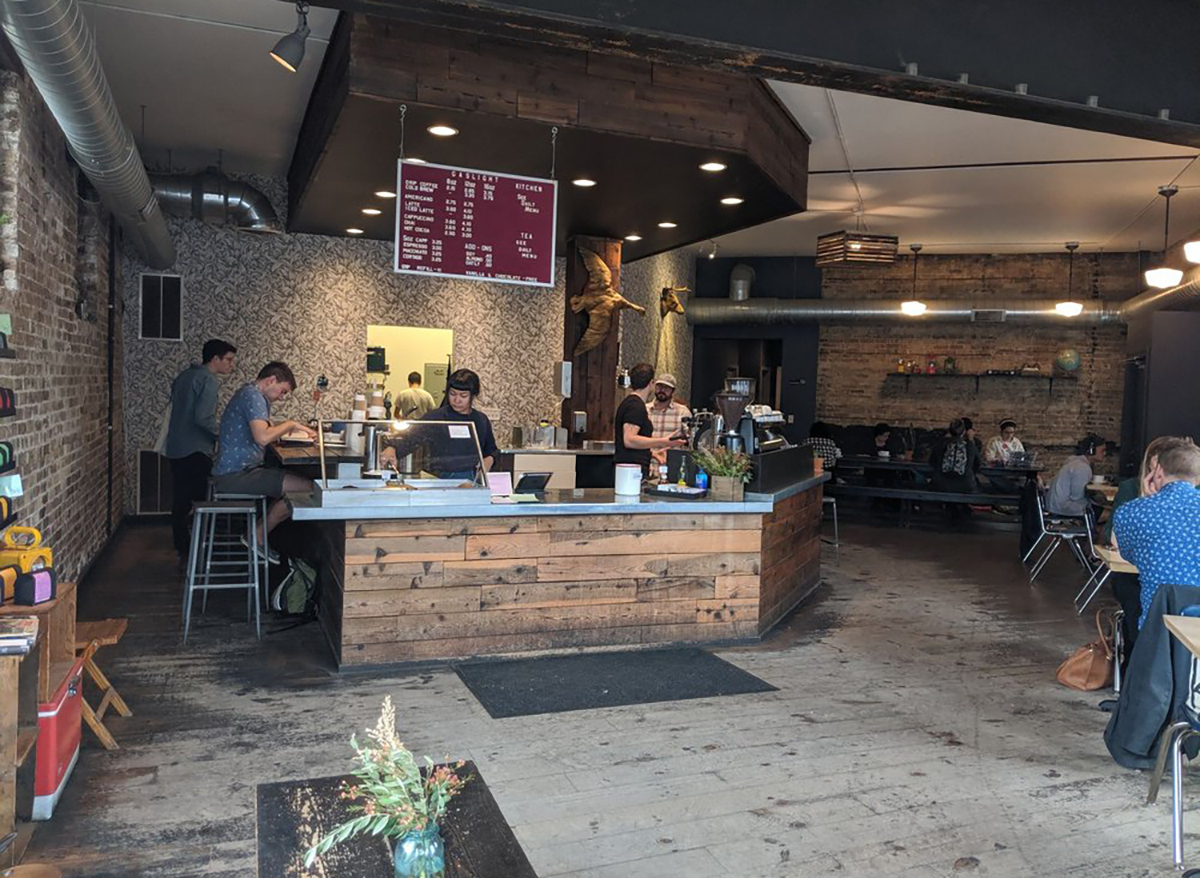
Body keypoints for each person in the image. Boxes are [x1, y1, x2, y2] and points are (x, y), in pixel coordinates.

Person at [212, 361, 315, 561]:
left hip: (236, 471)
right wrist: (290, 424)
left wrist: (293, 429)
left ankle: (258, 533)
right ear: (271, 380)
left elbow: (266, 432)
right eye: (282, 391)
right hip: (236, 475)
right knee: (308, 489)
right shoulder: (253, 396)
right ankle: (257, 535)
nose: (282, 397)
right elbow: (262, 437)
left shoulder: (250, 393)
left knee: (296, 482)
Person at [1105, 436, 1196, 659]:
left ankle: (1130, 668)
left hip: (1155, 625)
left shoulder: (1134, 511)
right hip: (1194, 620)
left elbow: (1124, 550)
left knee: (1130, 595)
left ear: (1158, 472)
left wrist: (1146, 500)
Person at [165, 339, 237, 567]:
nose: (231, 364)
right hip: (195, 448)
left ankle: (183, 548)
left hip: (176, 446)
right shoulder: (208, 380)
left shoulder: (184, 376)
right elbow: (203, 418)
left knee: (180, 500)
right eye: (228, 359)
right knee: (201, 502)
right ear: (215, 359)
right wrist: (225, 435)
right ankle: (200, 551)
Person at [381, 368, 498, 479]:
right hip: (440, 477)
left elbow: (491, 450)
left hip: (473, 479)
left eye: (463, 396)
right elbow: (410, 437)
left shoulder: (481, 420)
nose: (457, 400)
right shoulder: (437, 417)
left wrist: (488, 462)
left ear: (473, 395)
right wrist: (392, 447)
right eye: (452, 394)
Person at [615, 363, 686, 476]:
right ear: (651, 383)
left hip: (631, 469)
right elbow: (629, 440)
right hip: (631, 471)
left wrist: (652, 454)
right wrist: (664, 441)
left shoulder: (632, 403)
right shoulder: (636, 406)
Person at [1045, 434, 1107, 517]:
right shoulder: (1082, 467)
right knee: (1111, 515)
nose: (1105, 453)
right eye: (1102, 450)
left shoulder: (1075, 463)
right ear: (1091, 451)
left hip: (1056, 506)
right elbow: (1077, 497)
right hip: (1065, 508)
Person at [929, 418, 980, 493]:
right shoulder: (970, 446)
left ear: (949, 431)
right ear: (964, 432)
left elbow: (932, 461)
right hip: (965, 486)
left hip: (940, 485)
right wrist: (971, 440)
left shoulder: (941, 444)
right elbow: (977, 463)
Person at [645, 373, 691, 439]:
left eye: (666, 387)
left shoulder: (682, 411)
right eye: (660, 386)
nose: (662, 390)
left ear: (673, 391)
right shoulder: (645, 409)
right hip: (648, 446)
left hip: (672, 445)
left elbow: (690, 436)